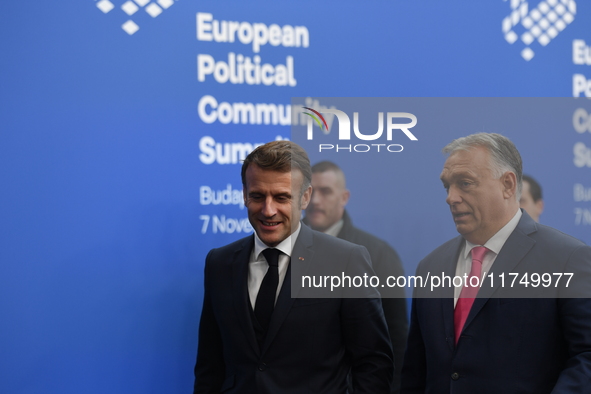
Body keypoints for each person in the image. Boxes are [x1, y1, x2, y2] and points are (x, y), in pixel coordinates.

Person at [193, 140, 394, 394]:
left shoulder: (345, 260)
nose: (268, 210)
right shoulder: (219, 263)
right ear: (244, 194)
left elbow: (373, 365)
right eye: (257, 196)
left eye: (281, 197)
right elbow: (210, 367)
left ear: (305, 197)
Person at [401, 133, 591, 394]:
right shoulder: (430, 267)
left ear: (508, 185)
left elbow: (586, 357)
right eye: (447, 186)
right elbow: (416, 372)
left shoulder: (567, 258)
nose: (451, 197)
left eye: (465, 183)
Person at [304, 161, 408, 394]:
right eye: (310, 191)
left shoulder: (378, 254)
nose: (316, 200)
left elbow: (396, 338)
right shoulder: (282, 250)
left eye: (326, 191)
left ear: (344, 197)